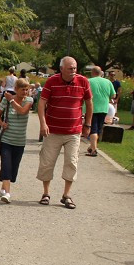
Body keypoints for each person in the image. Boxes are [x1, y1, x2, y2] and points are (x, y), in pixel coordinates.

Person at [36, 56, 92, 209]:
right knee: (47, 162)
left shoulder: (83, 81)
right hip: (53, 130)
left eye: (75, 68)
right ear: (61, 69)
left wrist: (88, 123)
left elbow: (89, 102)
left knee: (71, 162)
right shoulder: (52, 81)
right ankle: (46, 193)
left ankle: (66, 195)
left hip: (73, 131)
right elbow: (42, 103)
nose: (73, 71)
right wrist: (43, 123)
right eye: (70, 68)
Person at [0, 77, 34, 203]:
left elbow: (22, 111)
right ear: (15, 89)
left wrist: (11, 100)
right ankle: (7, 193)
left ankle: (3, 186)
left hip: (20, 141)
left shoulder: (29, 100)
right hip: (6, 139)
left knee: (13, 168)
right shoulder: (6, 101)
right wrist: (2, 123)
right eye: (22, 90)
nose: (25, 92)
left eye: (26, 90)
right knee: (6, 165)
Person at [86, 66, 116, 157]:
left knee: (93, 129)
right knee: (98, 128)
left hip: (92, 108)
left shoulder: (89, 81)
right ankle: (92, 146)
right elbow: (113, 95)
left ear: (92, 72)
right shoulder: (108, 82)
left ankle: (94, 150)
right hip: (104, 108)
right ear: (101, 73)